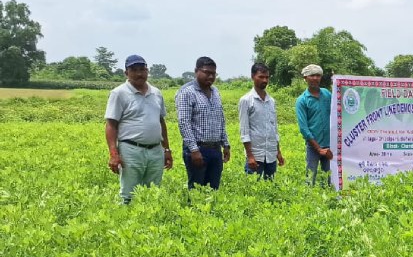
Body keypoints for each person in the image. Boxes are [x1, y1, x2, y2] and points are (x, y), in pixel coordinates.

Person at [104, 54, 172, 204]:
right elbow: (111, 125)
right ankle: (128, 223)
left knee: (153, 192)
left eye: (142, 69)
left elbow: (161, 122)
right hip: (131, 150)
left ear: (147, 71)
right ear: (126, 73)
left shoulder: (156, 93)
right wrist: (114, 154)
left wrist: (166, 150)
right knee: (129, 193)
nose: (139, 73)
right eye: (134, 70)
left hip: (155, 150)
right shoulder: (119, 93)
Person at [175, 56, 230, 190]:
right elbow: (184, 123)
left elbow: (220, 119)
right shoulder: (187, 92)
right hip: (198, 149)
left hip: (215, 149)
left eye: (213, 73)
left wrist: (226, 144)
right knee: (196, 190)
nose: (210, 76)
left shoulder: (215, 92)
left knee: (213, 190)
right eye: (207, 72)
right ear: (196, 71)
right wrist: (194, 150)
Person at [239, 63, 284, 180]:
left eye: (267, 77)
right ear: (253, 76)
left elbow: (274, 129)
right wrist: (250, 156)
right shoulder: (246, 100)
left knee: (270, 189)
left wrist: (278, 152)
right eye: (261, 77)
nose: (265, 80)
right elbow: (244, 131)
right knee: (253, 190)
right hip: (256, 156)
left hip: (271, 155)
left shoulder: (271, 101)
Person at [295, 64, 332, 186]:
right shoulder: (302, 100)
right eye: (312, 75)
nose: (315, 78)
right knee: (310, 178)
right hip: (313, 147)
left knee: (330, 178)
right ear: (305, 78)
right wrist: (318, 148)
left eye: (318, 75)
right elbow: (304, 128)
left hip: (330, 145)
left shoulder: (327, 94)